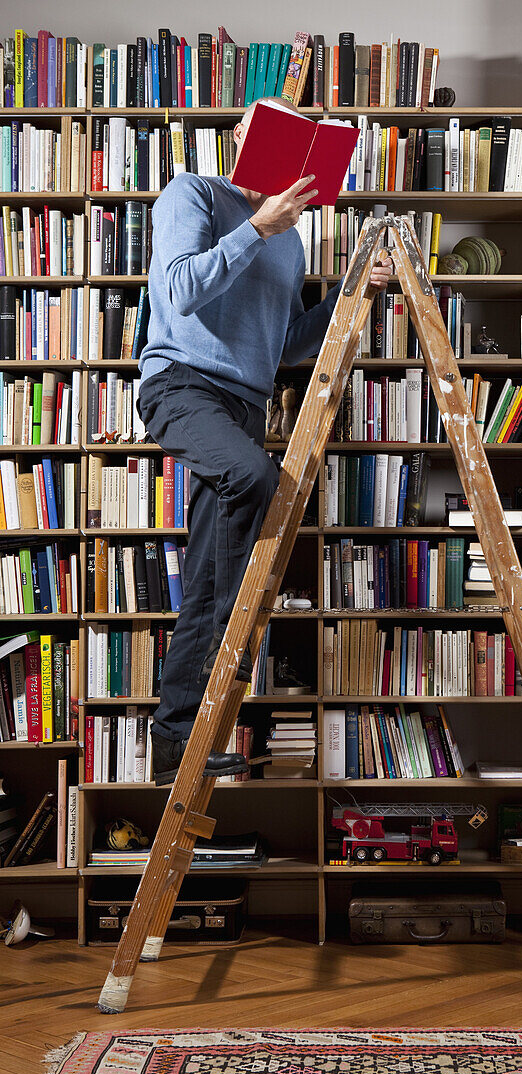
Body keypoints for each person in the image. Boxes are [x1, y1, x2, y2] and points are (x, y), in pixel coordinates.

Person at [137, 96, 392, 785]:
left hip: (245, 403)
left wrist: (344, 296)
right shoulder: (194, 193)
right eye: (268, 129)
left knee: (207, 579)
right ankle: (230, 645)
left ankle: (173, 741)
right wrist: (255, 225)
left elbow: (284, 347)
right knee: (254, 478)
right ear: (242, 136)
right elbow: (181, 290)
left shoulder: (293, 239)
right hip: (180, 385)